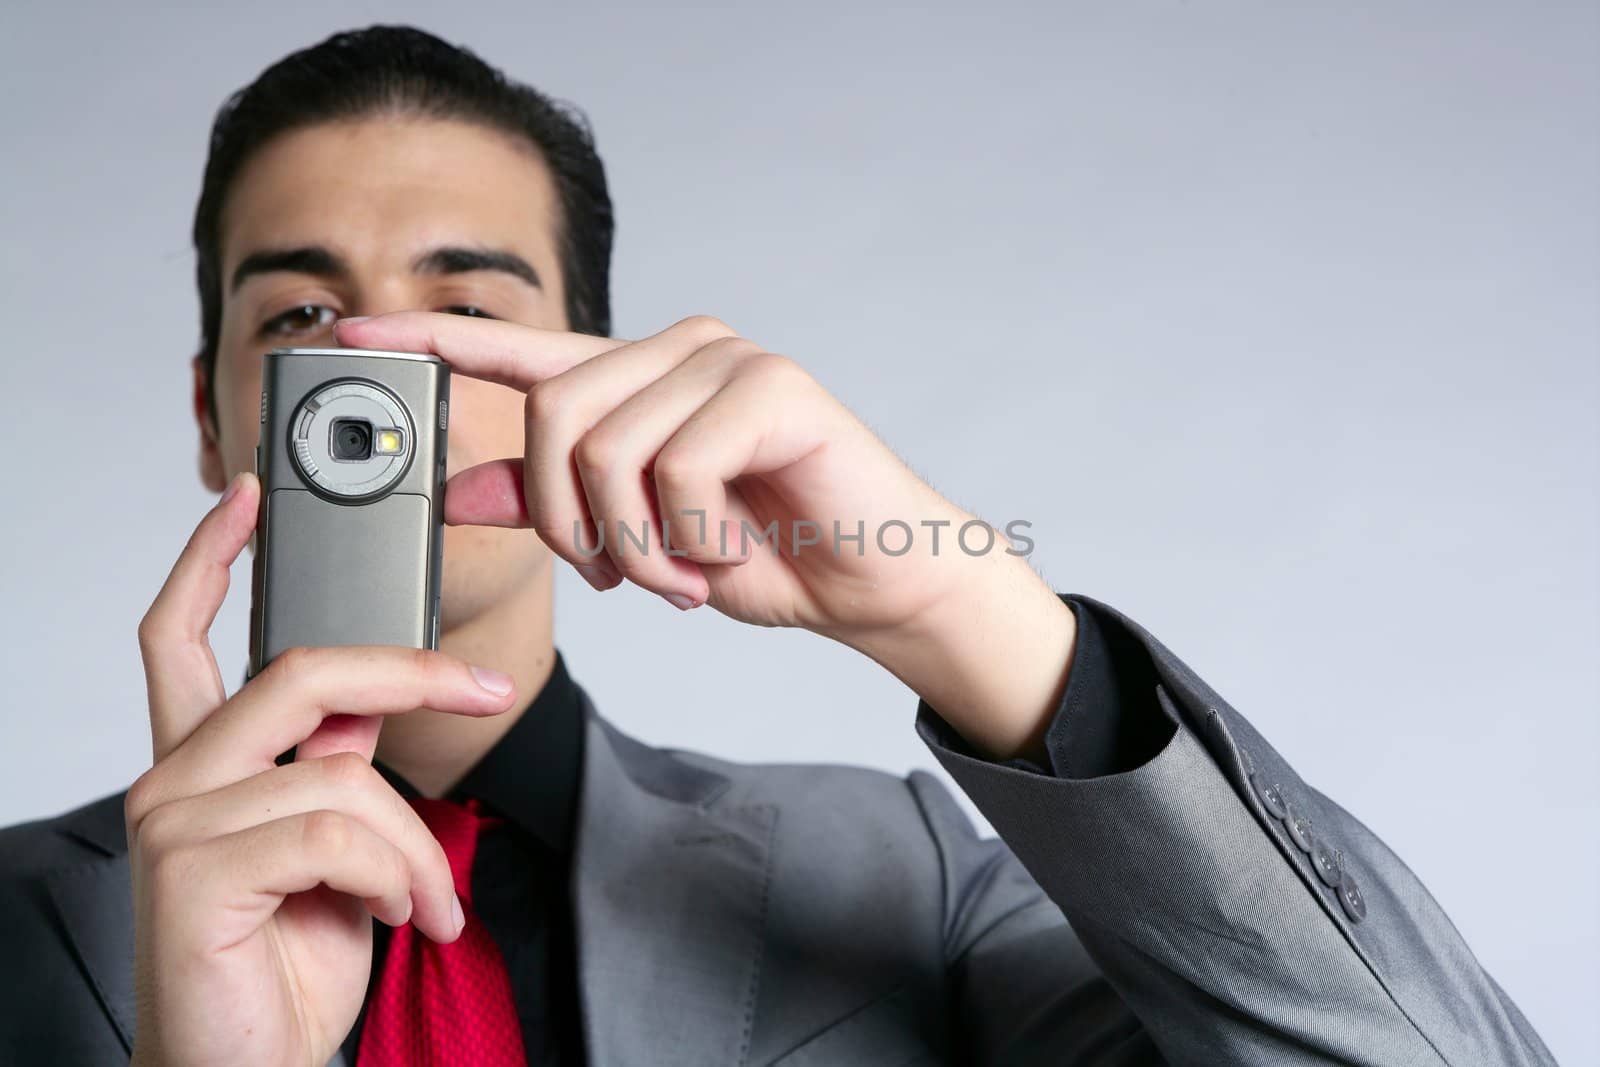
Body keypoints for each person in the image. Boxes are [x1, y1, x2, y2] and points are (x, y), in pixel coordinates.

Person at [0, 23, 1557, 1067]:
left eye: (465, 314)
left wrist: (973, 615)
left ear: (588, 381)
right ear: (217, 414)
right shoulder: (21, 925)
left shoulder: (918, 886)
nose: (389, 385)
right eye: (306, 321)